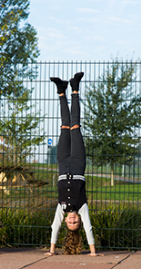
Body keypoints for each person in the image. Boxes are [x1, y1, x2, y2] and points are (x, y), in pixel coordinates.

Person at [45, 72, 102, 257]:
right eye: (74, 222)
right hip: (77, 163)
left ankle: (61, 90)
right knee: (75, 125)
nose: (71, 221)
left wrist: (52, 250)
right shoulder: (82, 207)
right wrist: (92, 252)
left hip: (63, 163)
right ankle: (75, 88)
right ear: (78, 219)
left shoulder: (61, 208)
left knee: (64, 126)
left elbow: (54, 226)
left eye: (69, 223)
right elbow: (89, 227)